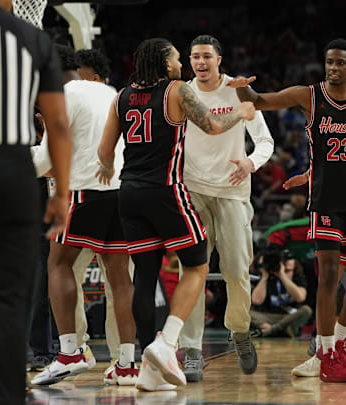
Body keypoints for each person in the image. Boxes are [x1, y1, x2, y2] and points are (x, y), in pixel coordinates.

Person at [234, 38, 346, 383]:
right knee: (328, 276)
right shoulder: (309, 95)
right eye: (328, 62)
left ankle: (336, 343)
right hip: (324, 200)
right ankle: (325, 352)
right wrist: (240, 90)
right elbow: (260, 101)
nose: (332, 68)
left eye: (340, 63)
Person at [96, 37, 255, 391]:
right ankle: (168, 343)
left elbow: (105, 152)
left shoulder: (120, 97)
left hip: (129, 193)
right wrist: (241, 113)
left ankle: (149, 369)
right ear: (165, 64)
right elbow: (211, 126)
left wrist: (107, 169)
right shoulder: (177, 90)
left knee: (146, 276)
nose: (182, 63)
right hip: (166, 191)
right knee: (197, 264)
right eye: (178, 58)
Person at [0, 0, 72, 403]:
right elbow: (57, 122)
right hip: (12, 177)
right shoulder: (31, 37)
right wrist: (63, 192)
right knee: (7, 297)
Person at [30, 44, 137, 387]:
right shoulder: (110, 92)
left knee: (58, 264)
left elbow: (44, 163)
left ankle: (70, 353)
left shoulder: (62, 95)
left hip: (85, 190)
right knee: (120, 279)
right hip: (122, 189)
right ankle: (126, 364)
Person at [177, 34, 274, 382]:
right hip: (193, 190)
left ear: (219, 59)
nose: (200, 63)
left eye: (206, 56)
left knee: (235, 270)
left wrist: (250, 163)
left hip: (233, 192)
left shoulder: (237, 90)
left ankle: (240, 331)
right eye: (194, 57)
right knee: (193, 272)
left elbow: (265, 141)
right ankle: (190, 349)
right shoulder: (181, 93)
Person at [250, 248, 312, 336]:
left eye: (288, 271)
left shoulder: (298, 278)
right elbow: (256, 301)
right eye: (283, 259)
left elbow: (300, 298)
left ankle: (272, 330)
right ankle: (282, 329)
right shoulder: (269, 276)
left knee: (306, 310)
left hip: (288, 316)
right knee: (244, 313)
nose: (286, 262)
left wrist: (282, 275)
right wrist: (265, 276)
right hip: (268, 316)